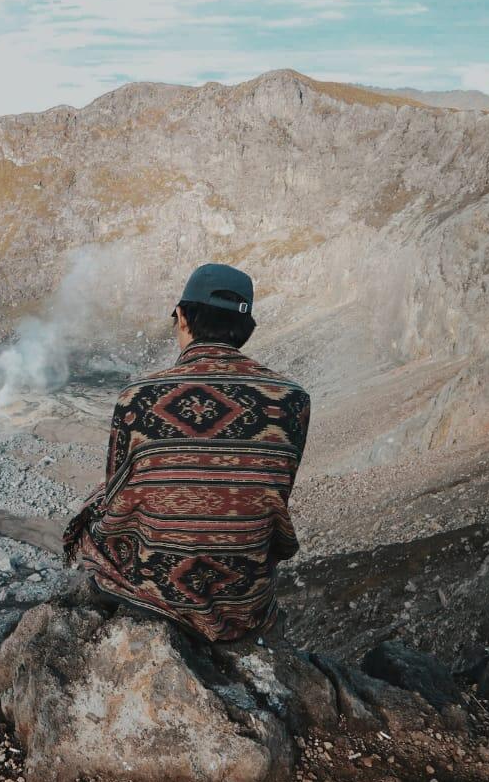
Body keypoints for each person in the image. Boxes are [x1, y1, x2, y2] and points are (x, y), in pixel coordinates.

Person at [64, 263, 311, 642]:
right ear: (247, 329)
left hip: (155, 591)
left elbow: (117, 493)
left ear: (182, 317)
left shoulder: (138, 397)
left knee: (98, 499)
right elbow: (274, 492)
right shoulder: (293, 400)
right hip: (244, 602)